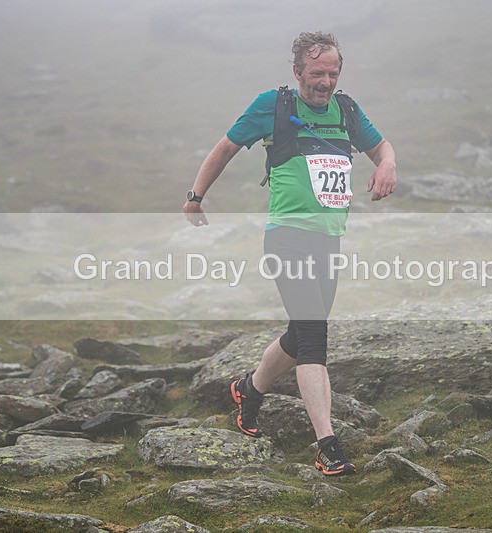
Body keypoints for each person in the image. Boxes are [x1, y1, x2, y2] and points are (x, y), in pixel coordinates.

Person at [183, 31, 396, 476]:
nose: (326, 81)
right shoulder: (274, 105)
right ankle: (328, 444)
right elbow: (225, 148)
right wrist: (195, 196)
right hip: (287, 238)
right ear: (297, 71)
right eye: (317, 73)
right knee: (315, 339)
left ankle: (249, 389)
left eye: (333, 73)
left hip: (328, 240)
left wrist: (387, 164)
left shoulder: (347, 109)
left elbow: (381, 147)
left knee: (301, 338)